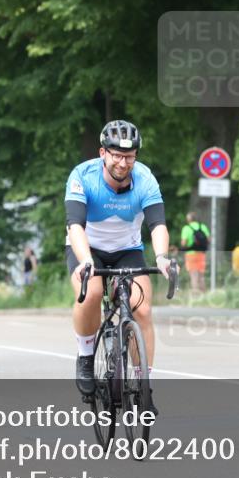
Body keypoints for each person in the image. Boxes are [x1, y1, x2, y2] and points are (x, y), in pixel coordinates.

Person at [65, 120, 171, 413]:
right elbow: (75, 225)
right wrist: (85, 260)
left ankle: (142, 384)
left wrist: (161, 257)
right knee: (92, 293)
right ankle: (86, 357)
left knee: (143, 309)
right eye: (116, 155)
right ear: (103, 153)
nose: (123, 163)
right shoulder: (82, 176)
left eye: (129, 156)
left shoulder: (146, 179)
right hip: (88, 248)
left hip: (127, 250)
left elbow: (157, 224)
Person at [180, 211, 210, 294]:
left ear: (188, 219)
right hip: (201, 254)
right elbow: (208, 240)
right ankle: (204, 295)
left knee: (193, 275)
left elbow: (183, 243)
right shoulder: (203, 226)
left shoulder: (186, 228)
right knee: (201, 276)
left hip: (191, 255)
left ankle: (196, 296)